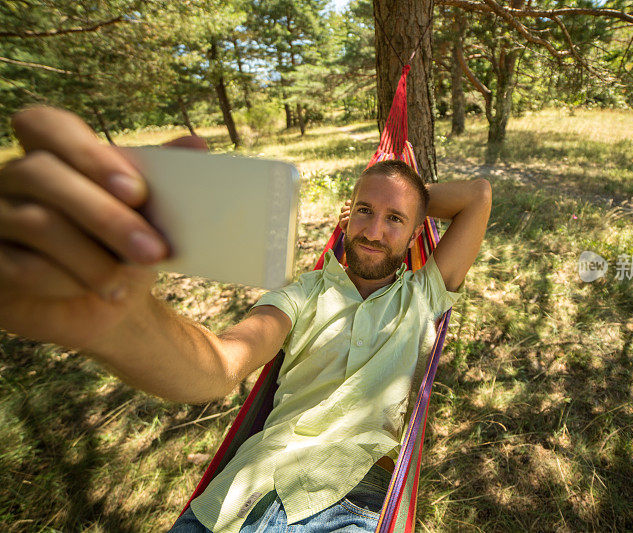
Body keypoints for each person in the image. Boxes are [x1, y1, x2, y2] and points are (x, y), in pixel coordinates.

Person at [0, 106, 492, 532]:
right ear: (346, 217)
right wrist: (121, 320)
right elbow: (221, 363)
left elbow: (478, 196)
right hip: (238, 496)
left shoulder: (425, 293)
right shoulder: (302, 292)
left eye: (394, 220)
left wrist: (405, 191)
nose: (373, 230)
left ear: (414, 239)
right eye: (364, 210)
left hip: (348, 501)